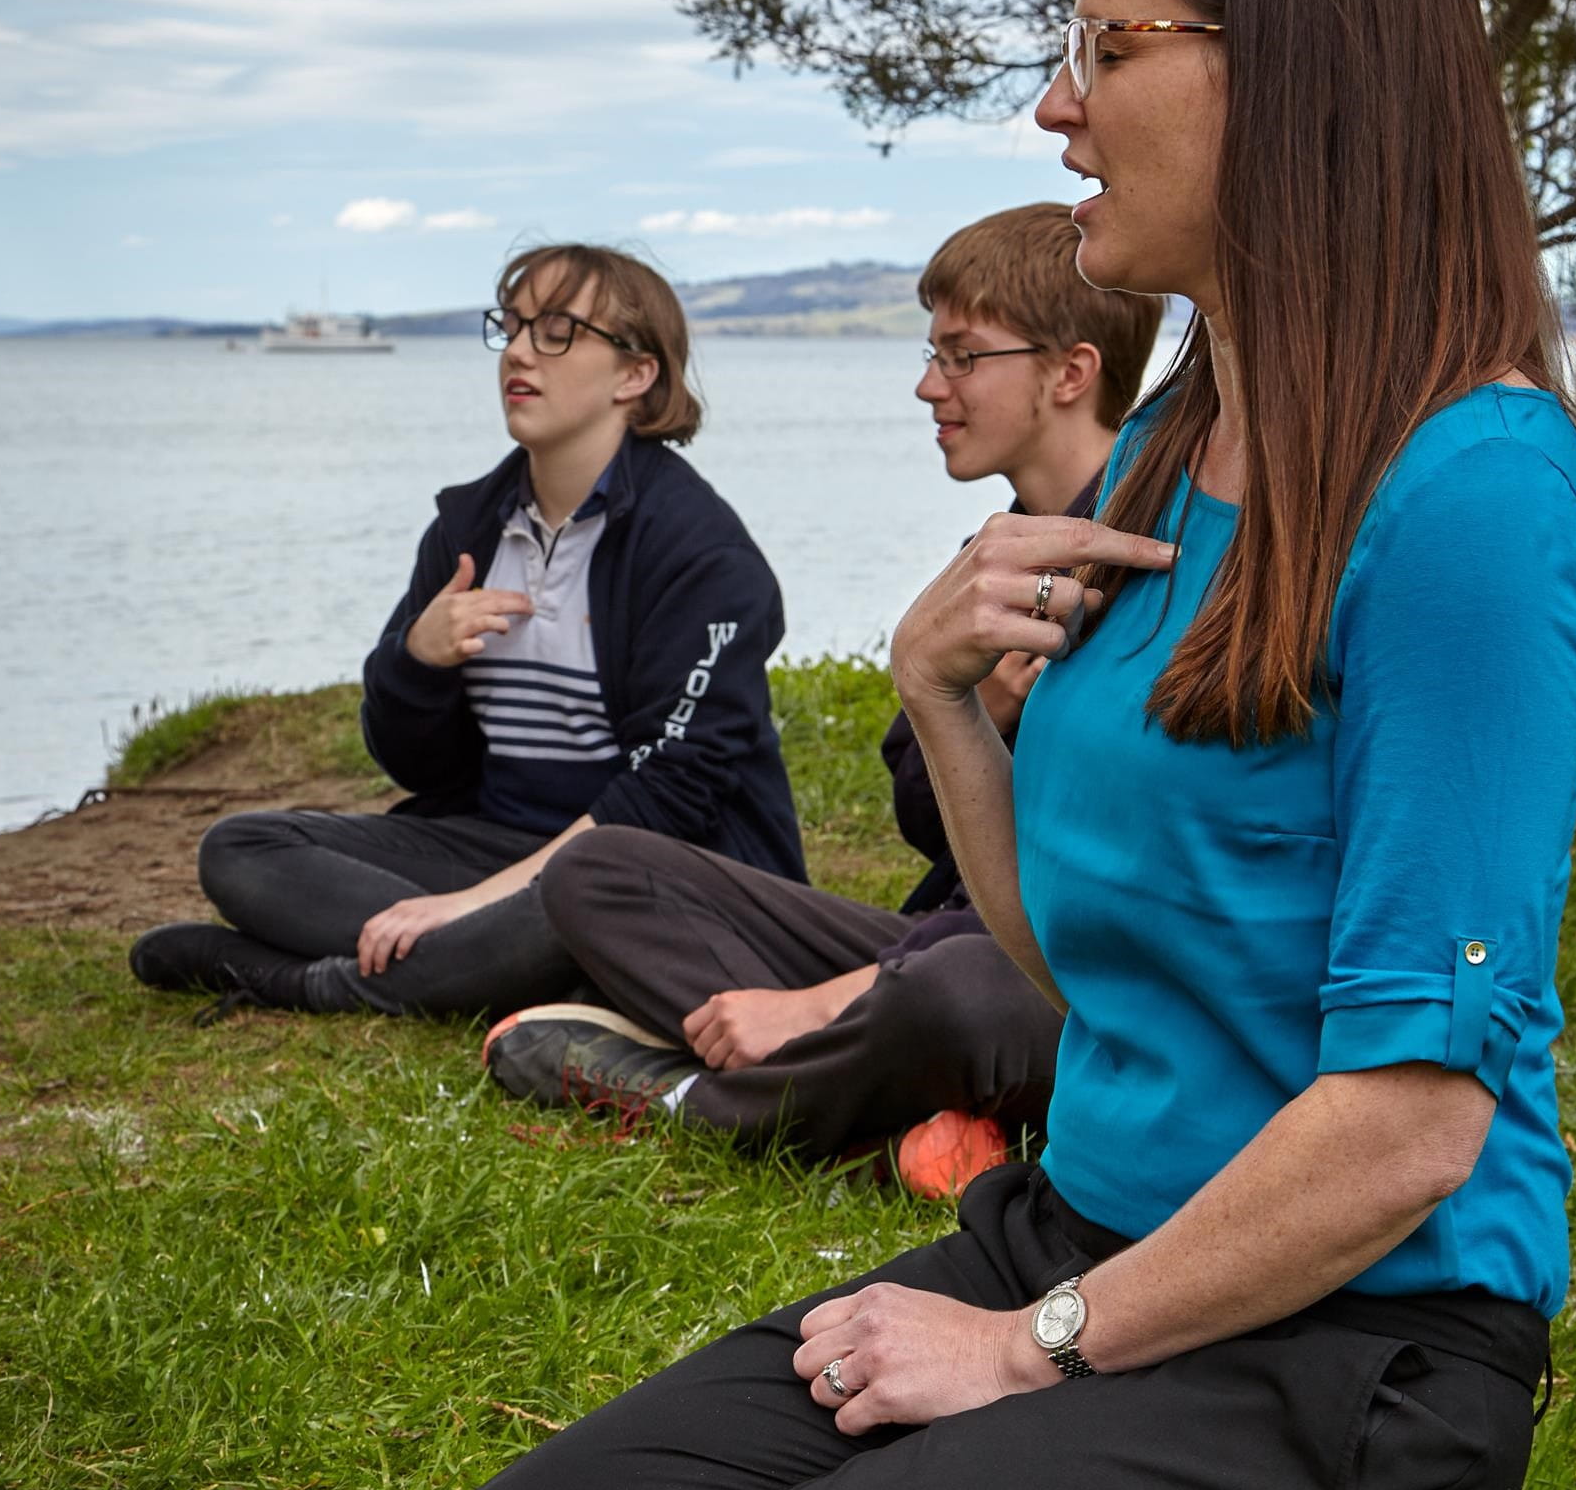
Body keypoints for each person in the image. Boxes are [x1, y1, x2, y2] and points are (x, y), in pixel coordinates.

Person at [377, 0, 1576, 1490]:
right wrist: (944, 700)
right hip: (1082, 1231)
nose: (1057, 105)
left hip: (1340, 1363)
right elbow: (1075, 955)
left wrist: (1023, 1354)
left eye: (1105, 49)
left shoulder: (1470, 498)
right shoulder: (1167, 454)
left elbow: (1407, 1125)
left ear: (1284, 71)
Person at [481, 204, 1163, 1182]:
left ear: (1069, 372)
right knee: (601, 874)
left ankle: (705, 1099)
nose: (929, 385)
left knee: (959, 988)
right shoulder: (995, 552)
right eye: (932, 353)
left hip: (1044, 969)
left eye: (961, 356)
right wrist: (983, 714)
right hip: (932, 941)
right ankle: (886, 1109)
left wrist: (824, 999)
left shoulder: (1145, 561)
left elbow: (1106, 893)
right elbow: (922, 817)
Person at [127, 244, 804, 1023]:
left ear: (635, 375)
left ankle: (301, 978)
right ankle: (516, 970)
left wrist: (468, 906)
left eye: (556, 331)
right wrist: (420, 661)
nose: (517, 350)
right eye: (511, 326)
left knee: (582, 911)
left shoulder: (698, 553)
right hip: (497, 848)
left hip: (653, 872)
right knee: (241, 849)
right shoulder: (468, 529)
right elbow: (413, 764)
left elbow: (673, 794)